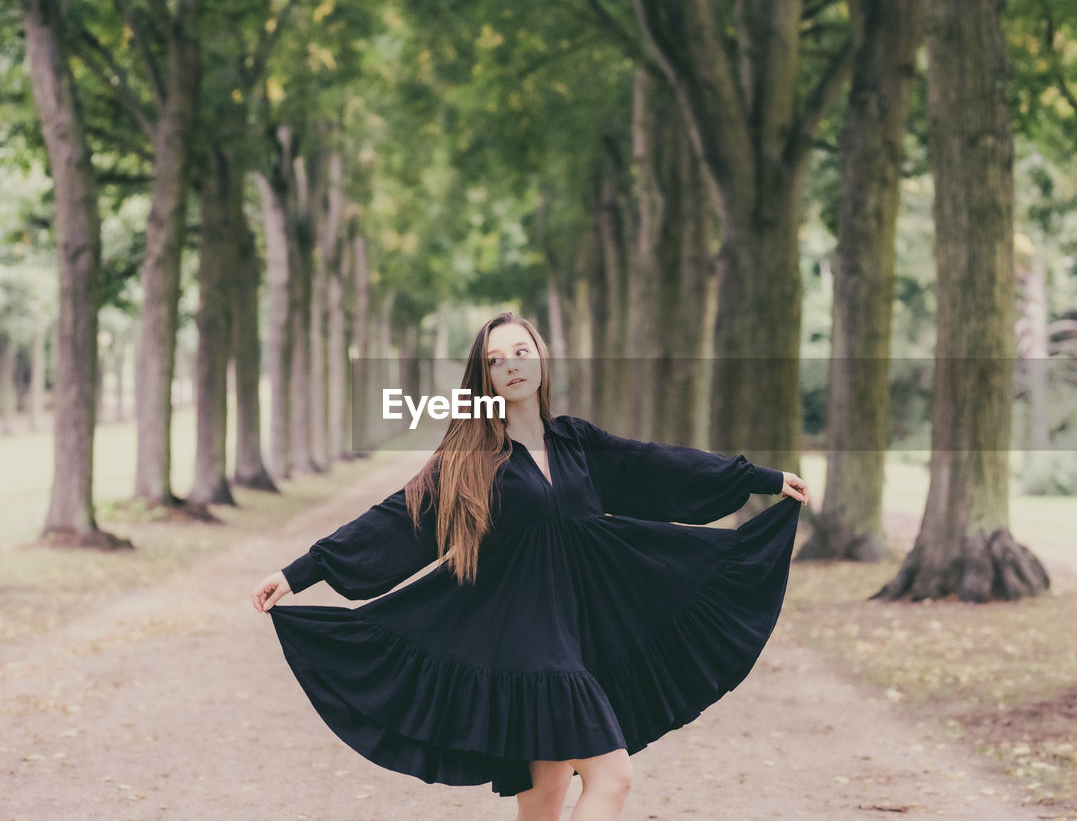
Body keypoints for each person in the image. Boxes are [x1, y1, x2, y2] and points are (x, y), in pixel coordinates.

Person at [251, 311, 808, 821]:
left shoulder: (577, 440)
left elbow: (656, 466)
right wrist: (299, 572)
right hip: (527, 644)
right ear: (483, 377)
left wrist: (756, 478)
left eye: (519, 352)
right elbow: (398, 520)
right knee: (612, 777)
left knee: (544, 798)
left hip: (580, 631)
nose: (510, 366)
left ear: (540, 356)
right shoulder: (470, 458)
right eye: (494, 360)